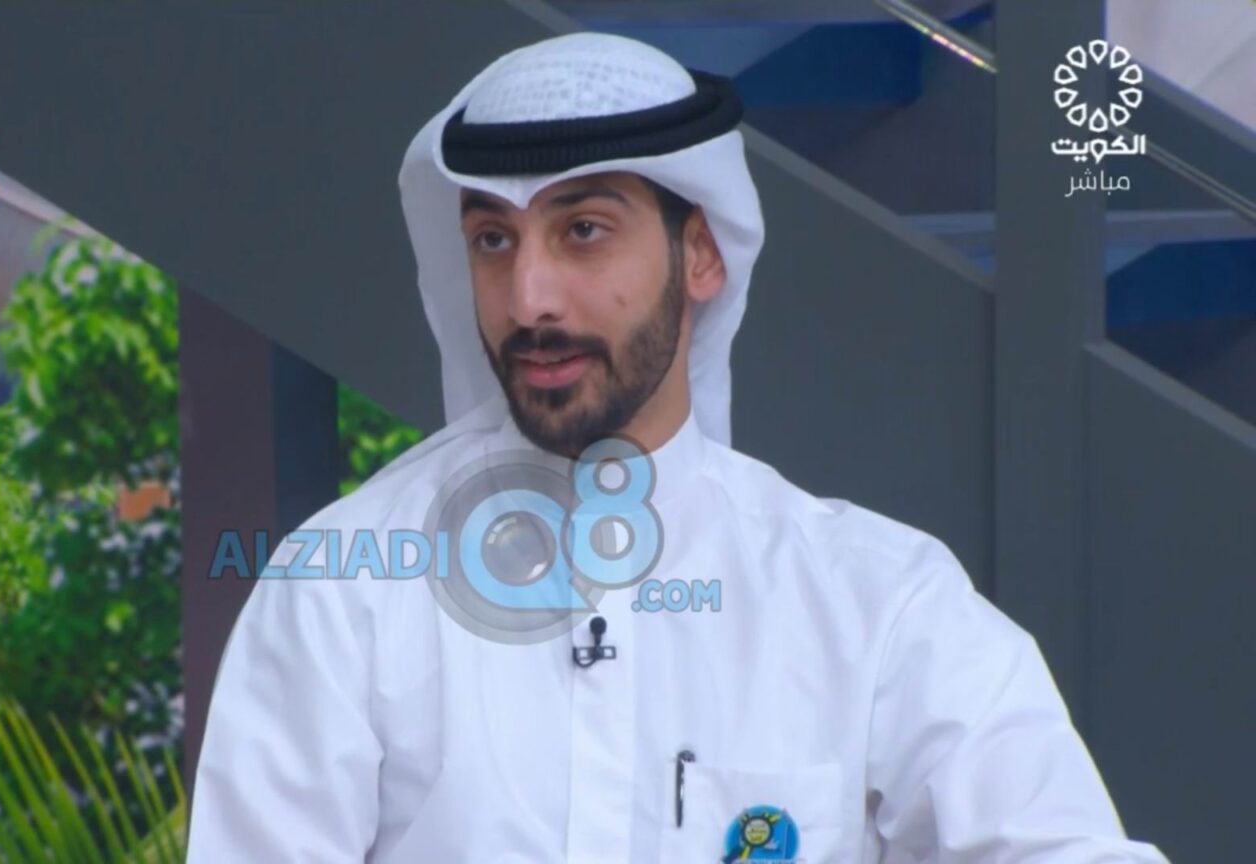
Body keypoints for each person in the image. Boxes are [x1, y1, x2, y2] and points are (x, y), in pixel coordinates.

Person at [186, 31, 1169, 863]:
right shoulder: (344, 593)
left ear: (700, 253)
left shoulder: (876, 603)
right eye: (493, 240)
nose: (530, 298)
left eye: (583, 231)